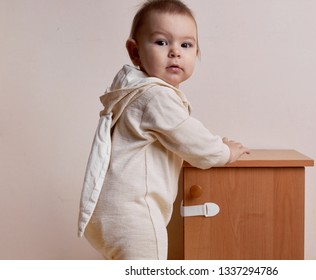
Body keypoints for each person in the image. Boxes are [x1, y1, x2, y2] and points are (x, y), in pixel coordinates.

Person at [78, 0, 249, 260]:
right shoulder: (155, 97)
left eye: (186, 45)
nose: (175, 52)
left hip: (112, 214)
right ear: (134, 52)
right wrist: (225, 150)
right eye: (161, 42)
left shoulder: (138, 92)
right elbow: (197, 145)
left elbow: (179, 134)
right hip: (135, 216)